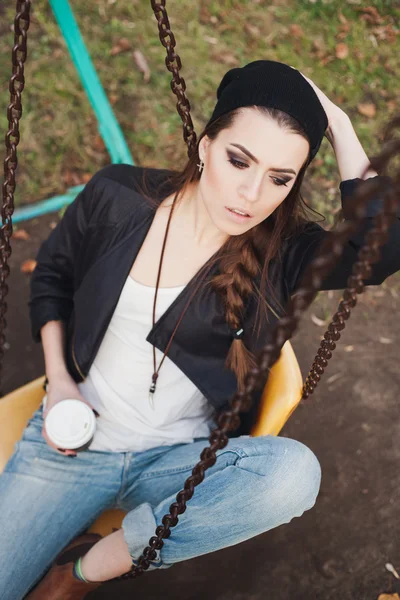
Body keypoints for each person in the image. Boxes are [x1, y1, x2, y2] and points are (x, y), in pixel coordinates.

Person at [0, 60, 398, 600]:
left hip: (180, 460)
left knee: (293, 474)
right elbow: (51, 274)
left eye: (279, 178)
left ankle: (81, 572)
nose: (252, 195)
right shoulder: (116, 197)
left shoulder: (284, 254)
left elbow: (380, 251)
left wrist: (339, 123)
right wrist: (60, 382)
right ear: (206, 144)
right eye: (239, 160)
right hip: (75, 444)